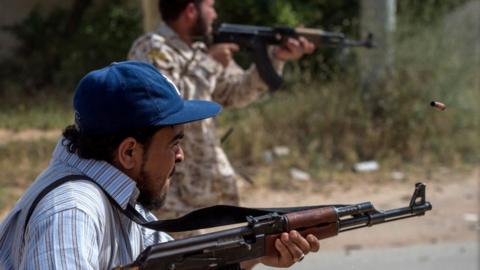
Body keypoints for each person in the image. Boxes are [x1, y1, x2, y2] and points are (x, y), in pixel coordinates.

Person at [0, 61, 319, 270]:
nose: (181, 156)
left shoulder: (116, 197)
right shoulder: (72, 211)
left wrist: (256, 251)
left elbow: (180, 265)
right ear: (128, 152)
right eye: (174, 143)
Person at [128, 0, 315, 225]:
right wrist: (209, 63)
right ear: (190, 10)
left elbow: (236, 92)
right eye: (210, 6)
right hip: (176, 194)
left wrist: (276, 58)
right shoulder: (152, 48)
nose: (214, 14)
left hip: (211, 186)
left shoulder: (199, 52)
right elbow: (170, 105)